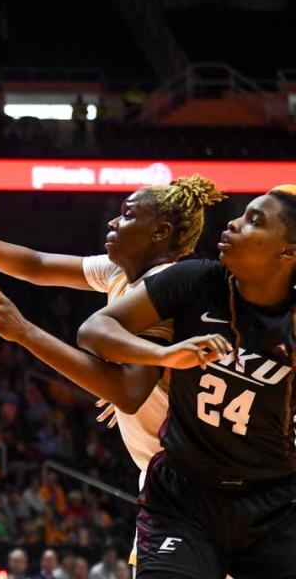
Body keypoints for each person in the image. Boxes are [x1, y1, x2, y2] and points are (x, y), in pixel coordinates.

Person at [0, 176, 225, 565]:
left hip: (197, 483)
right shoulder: (118, 273)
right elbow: (36, 264)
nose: (113, 223)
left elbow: (129, 392)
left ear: (160, 233)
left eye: (127, 215)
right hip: (170, 477)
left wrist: (24, 331)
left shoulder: (163, 289)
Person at [76, 186, 296, 578]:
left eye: (255, 221)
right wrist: (160, 356)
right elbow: (95, 329)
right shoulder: (196, 279)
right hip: (184, 495)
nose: (233, 223)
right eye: (243, 214)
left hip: (273, 503)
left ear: (288, 253)